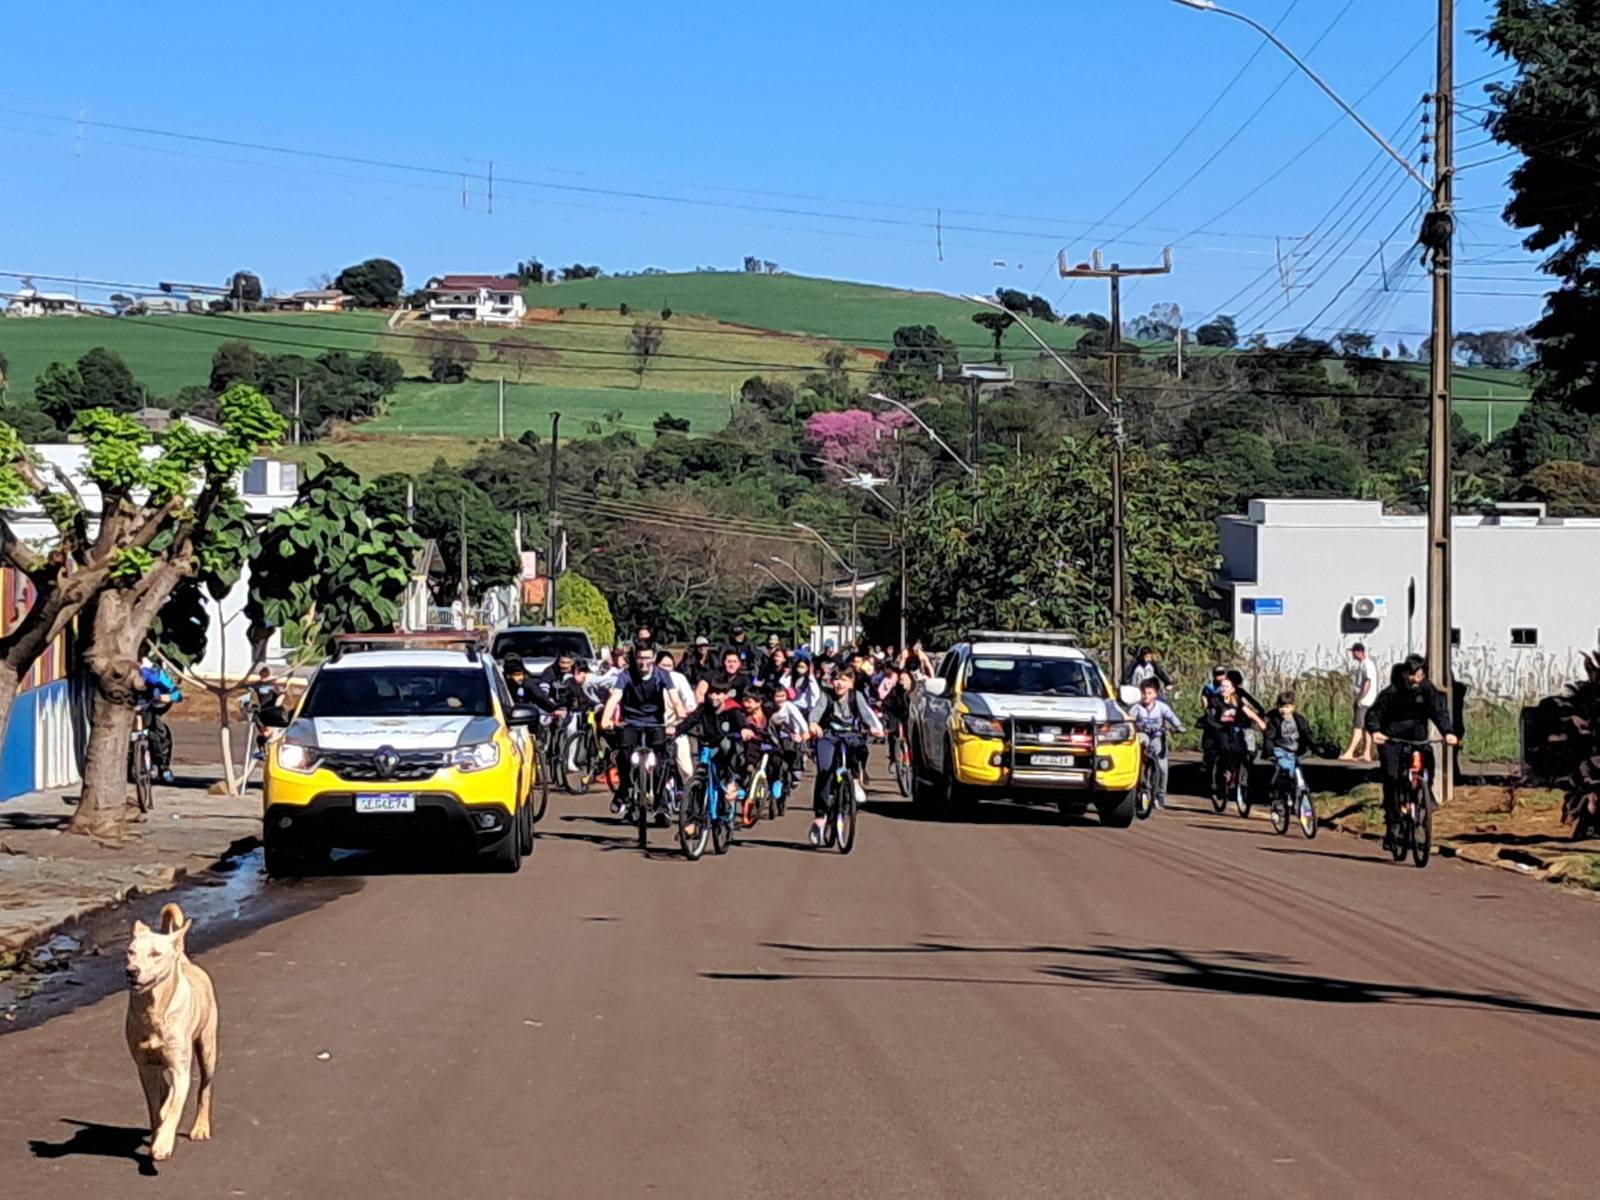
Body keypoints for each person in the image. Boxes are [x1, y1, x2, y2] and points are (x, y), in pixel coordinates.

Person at [1365, 654, 1461, 851]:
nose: (1418, 679)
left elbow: (1438, 711)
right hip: (1392, 740)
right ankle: (1393, 824)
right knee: (1392, 778)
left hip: (1418, 739)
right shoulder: (1392, 691)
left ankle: (1424, 798)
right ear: (1407, 674)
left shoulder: (1427, 690)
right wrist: (1375, 731)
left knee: (1427, 766)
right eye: (1414, 675)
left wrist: (1448, 732)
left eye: (1421, 675)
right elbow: (1374, 713)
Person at [600, 643, 688, 817]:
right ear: (635, 658)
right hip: (631, 721)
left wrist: (680, 719)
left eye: (647, 657)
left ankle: (661, 803)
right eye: (640, 658)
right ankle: (624, 789)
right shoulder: (626, 675)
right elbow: (614, 698)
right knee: (624, 754)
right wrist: (606, 719)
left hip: (655, 723)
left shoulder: (662, 675)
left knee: (661, 761)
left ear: (654, 658)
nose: (643, 662)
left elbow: (675, 699)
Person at [806, 668, 883, 846]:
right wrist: (813, 724)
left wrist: (874, 728)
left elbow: (866, 714)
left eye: (844, 680)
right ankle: (820, 818)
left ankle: (855, 778)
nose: (840, 684)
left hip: (850, 735)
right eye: (836, 680)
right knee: (825, 771)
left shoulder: (856, 696)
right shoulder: (827, 696)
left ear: (851, 682)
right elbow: (816, 711)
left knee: (860, 748)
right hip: (829, 736)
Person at [1201, 673, 1265, 799]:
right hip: (1220, 730)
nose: (1224, 689)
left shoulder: (1237, 700)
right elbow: (1210, 715)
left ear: (1232, 689)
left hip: (1233, 730)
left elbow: (1249, 712)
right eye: (1222, 687)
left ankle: (1238, 774)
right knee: (1225, 751)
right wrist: (1215, 725)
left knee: (1242, 750)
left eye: (1227, 687)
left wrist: (1261, 723)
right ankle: (1220, 782)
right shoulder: (1215, 701)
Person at [1130, 680, 1185, 810]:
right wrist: (1131, 725)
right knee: (1140, 743)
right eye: (1144, 693)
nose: (1146, 696)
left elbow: (1171, 717)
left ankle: (1160, 794)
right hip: (1143, 735)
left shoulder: (1161, 707)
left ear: (1155, 694)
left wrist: (1178, 726)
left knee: (1162, 766)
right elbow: (1128, 718)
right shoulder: (1137, 708)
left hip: (1157, 736)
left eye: (1149, 693)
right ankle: (1137, 784)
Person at [655, 649, 700, 786]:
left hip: (677, 727)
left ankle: (688, 794)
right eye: (663, 666)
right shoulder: (651, 680)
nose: (667, 669)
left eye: (670, 666)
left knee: (686, 768)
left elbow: (690, 702)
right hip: (655, 728)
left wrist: (683, 715)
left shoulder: (679, 679)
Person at [137, 658, 181, 785]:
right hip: (130, 712)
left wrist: (164, 697)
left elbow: (176, 694)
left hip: (149, 710)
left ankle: (163, 768)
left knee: (159, 732)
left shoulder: (153, 672)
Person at [1264, 690, 1313, 797]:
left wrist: (1316, 747)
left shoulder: (1299, 720)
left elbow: (1307, 734)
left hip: (1295, 752)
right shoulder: (1275, 721)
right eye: (1281, 707)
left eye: (1287, 707)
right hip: (1280, 751)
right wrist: (1270, 753)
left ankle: (1299, 798)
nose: (1283, 710)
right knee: (1285, 771)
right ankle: (1277, 796)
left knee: (1297, 776)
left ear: (1292, 707)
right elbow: (1269, 738)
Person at [1340, 643, 1380, 763]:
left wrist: (1360, 698)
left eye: (1353, 651)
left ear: (1359, 652)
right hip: (1370, 700)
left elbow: (1367, 682)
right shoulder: (1367, 664)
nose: (1352, 654)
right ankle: (1366, 753)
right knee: (1366, 728)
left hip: (1365, 701)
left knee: (1358, 727)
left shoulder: (1366, 664)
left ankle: (1349, 752)